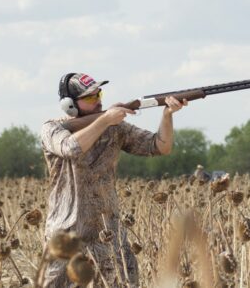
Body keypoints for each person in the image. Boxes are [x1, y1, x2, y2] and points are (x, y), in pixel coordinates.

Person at [40, 73, 187, 287]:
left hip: (108, 233)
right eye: (90, 97)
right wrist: (105, 119)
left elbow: (160, 146)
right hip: (67, 234)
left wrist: (168, 115)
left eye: (99, 93)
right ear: (69, 105)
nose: (98, 100)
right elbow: (70, 148)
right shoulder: (52, 128)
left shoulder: (115, 128)